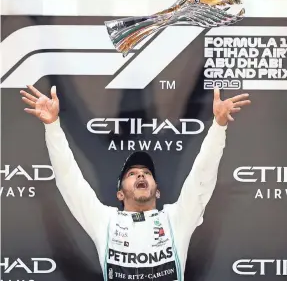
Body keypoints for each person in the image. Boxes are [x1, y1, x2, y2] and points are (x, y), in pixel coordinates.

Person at [20, 85, 251, 281]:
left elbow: (202, 175)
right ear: (120, 194)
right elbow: (69, 179)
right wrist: (52, 126)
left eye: (146, 173)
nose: (141, 175)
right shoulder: (105, 221)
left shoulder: (176, 218)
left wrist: (219, 127)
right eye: (132, 174)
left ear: (157, 191)